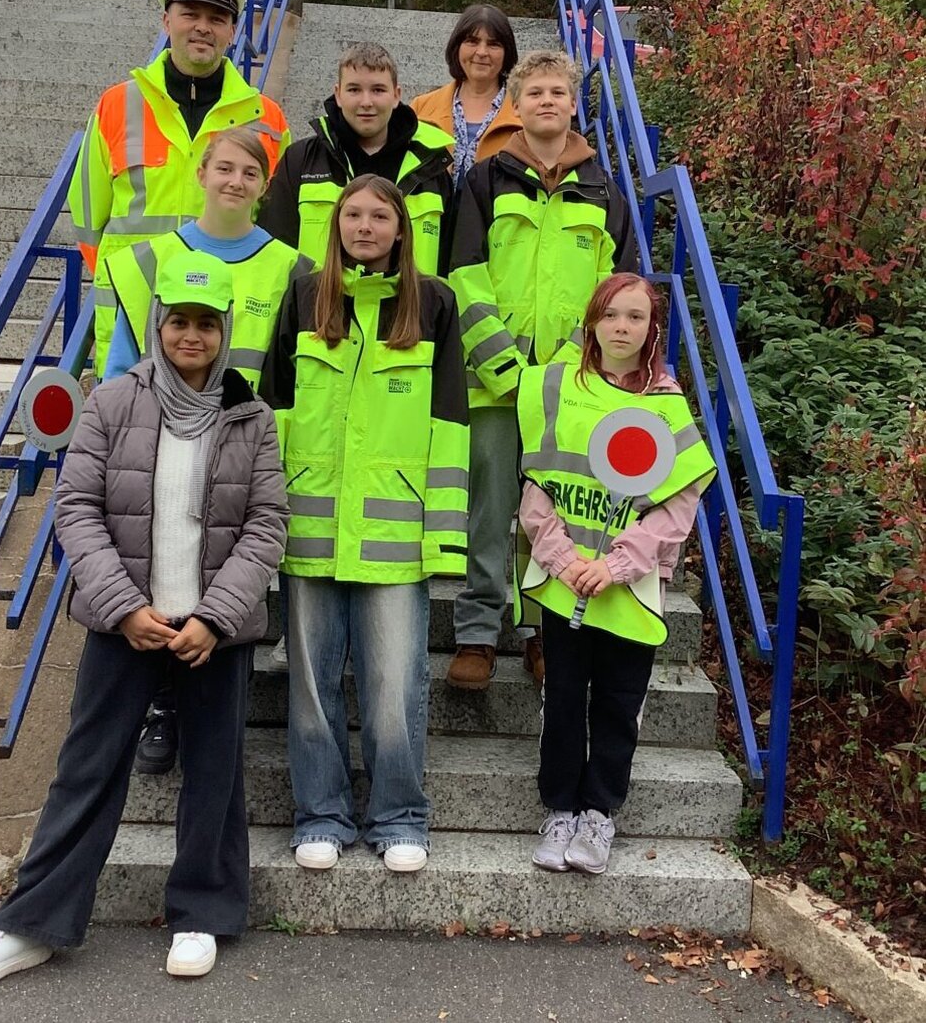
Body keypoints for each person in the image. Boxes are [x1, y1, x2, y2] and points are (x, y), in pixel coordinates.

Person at [0, 252, 287, 995]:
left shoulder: (253, 417)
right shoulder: (112, 402)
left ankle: (203, 912)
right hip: (123, 622)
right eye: (179, 321)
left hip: (211, 631)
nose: (191, 336)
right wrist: (125, 607)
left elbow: (266, 525)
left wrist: (217, 617)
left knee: (215, 774)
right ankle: (29, 925)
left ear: (224, 332)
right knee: (86, 771)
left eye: (206, 324)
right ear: (159, 325)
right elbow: (77, 510)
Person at [259, 175, 469, 873]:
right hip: (311, 530)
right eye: (353, 214)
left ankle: (399, 816)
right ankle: (320, 814)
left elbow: (448, 431)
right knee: (312, 689)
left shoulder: (434, 304)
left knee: (394, 688)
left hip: (396, 539)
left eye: (380, 215)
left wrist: (443, 539)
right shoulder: (303, 295)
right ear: (336, 223)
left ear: (402, 228)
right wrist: (266, 524)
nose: (365, 225)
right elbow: (274, 416)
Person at [105, 127, 311, 771]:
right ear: (200, 172)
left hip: (246, 442)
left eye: (250, 172)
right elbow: (120, 356)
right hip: (157, 434)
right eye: (224, 168)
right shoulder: (149, 258)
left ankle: (213, 708)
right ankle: (163, 709)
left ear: (265, 184)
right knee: (164, 569)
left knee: (224, 572)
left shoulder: (291, 266)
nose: (235, 182)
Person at [446, 48, 639, 692]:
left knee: (553, 512)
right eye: (534, 94)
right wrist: (504, 364)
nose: (547, 102)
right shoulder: (483, 181)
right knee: (490, 506)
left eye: (558, 91)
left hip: (569, 390)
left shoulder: (604, 189)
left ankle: (541, 631)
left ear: (574, 102)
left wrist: (571, 370)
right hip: (495, 384)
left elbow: (617, 291)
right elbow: (465, 278)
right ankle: (477, 631)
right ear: (515, 105)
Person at [516, 273, 715, 874]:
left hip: (629, 587)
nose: (622, 327)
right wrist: (566, 559)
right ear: (592, 321)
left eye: (635, 317)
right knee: (564, 699)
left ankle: (599, 814)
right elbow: (536, 484)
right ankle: (560, 810)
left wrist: (619, 563)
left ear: (652, 328)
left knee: (619, 703)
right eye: (611, 315)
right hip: (565, 579)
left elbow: (681, 501)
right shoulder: (554, 385)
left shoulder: (665, 402)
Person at [70, 0, 291, 375]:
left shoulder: (269, 120)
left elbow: (276, 226)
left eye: (217, 17)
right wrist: (124, 279)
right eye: (190, 13)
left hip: (225, 316)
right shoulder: (117, 104)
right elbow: (87, 219)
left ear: (232, 30)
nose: (203, 26)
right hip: (135, 314)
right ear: (166, 21)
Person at [259, 43, 456, 277]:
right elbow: (274, 252)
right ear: (338, 94)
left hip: (410, 312)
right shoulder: (301, 161)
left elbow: (447, 265)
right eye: (354, 90)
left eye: (378, 90)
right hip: (317, 310)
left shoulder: (430, 167)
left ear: (396, 95)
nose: (366, 102)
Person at [410, 4, 521, 190]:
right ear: (457, 47)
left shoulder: (523, 115)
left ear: (507, 52)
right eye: (472, 41)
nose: (482, 52)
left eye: (493, 44)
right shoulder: (421, 108)